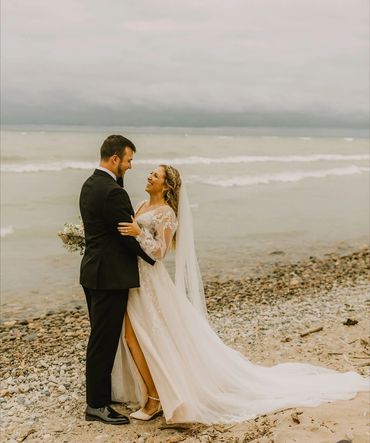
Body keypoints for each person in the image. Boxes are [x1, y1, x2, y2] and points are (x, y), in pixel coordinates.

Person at [111, 164, 368, 424]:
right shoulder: (142, 204)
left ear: (166, 185)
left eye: (155, 175)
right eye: (151, 173)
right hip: (134, 279)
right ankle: (153, 392)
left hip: (151, 282)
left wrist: (138, 233)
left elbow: (160, 253)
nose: (149, 176)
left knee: (143, 336)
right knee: (137, 336)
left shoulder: (167, 214)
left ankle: (156, 399)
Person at [79, 135, 155, 425]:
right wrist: (152, 258)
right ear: (115, 160)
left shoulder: (89, 184)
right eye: (129, 160)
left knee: (100, 337)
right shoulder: (113, 192)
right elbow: (125, 235)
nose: (131, 165)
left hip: (92, 271)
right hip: (110, 277)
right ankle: (96, 405)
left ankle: (100, 396)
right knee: (103, 340)